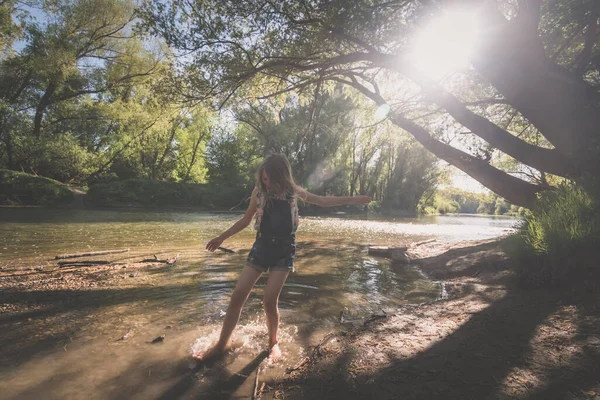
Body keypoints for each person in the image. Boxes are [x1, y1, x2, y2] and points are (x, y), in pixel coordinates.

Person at [194, 153, 371, 363]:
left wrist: (352, 199)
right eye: (263, 178)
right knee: (238, 294)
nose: (264, 182)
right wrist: (222, 237)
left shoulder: (292, 192)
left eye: (268, 179)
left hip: (284, 250)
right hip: (261, 247)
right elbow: (245, 219)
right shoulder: (258, 192)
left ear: (281, 177)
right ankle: (221, 345)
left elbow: (321, 200)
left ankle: (273, 343)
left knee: (269, 301)